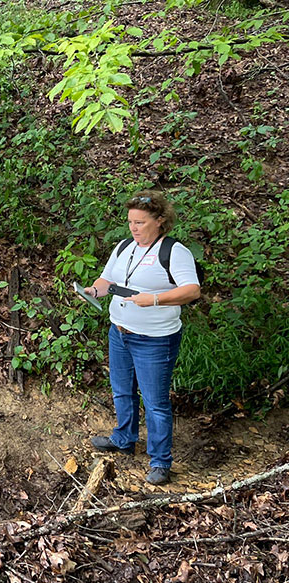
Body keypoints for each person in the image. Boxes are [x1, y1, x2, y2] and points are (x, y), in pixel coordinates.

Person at [83, 191, 201, 486]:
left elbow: (191, 290)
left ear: (160, 221)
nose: (134, 228)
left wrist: (157, 299)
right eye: (131, 222)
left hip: (155, 339)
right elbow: (106, 279)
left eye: (140, 222)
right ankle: (124, 438)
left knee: (155, 401)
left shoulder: (174, 252)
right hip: (119, 331)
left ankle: (160, 461)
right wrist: (94, 291)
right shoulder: (125, 247)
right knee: (122, 390)